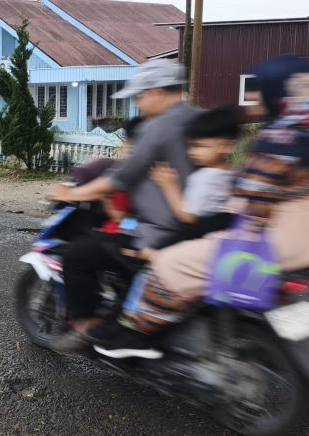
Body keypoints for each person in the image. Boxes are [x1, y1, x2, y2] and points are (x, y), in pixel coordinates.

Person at [94, 55, 309, 359]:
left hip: (274, 243)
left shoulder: (279, 140)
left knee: (168, 262)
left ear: (278, 93)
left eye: (256, 92)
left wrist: (234, 230)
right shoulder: (301, 133)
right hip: (302, 244)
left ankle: (139, 332)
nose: (251, 101)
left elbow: (256, 202)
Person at [47, 60, 200, 352]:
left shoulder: (158, 126)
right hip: (196, 225)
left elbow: (120, 177)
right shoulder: (198, 118)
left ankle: (89, 327)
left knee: (77, 255)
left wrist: (71, 195)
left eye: (139, 96)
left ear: (155, 91)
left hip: (159, 230)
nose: (138, 104)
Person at [129, 106, 239, 261]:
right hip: (218, 237)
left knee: (151, 256)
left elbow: (188, 217)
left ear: (227, 146)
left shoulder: (204, 177)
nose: (193, 152)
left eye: (202, 146)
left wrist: (169, 186)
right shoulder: (233, 172)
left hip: (195, 233)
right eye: (192, 146)